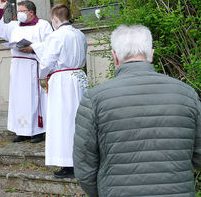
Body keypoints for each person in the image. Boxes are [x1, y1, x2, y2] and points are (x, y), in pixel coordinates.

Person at [74, 25, 201, 196]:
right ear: (151, 54)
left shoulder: (94, 99)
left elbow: (84, 165)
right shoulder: (187, 95)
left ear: (115, 56)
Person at [28, 4, 87, 178]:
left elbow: (47, 61)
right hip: (79, 77)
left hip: (62, 81)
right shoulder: (80, 34)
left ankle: (67, 163)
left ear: (54, 19)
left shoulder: (56, 36)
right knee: (79, 119)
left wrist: (42, 76)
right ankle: (81, 160)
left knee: (63, 121)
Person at [0, 0, 53, 143]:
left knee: (33, 98)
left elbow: (50, 44)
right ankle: (22, 131)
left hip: (33, 66)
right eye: (18, 11)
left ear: (31, 12)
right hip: (18, 67)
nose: (19, 14)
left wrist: (34, 48)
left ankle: (38, 131)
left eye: (22, 11)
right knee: (19, 99)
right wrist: (0, 8)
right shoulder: (14, 26)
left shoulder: (43, 25)